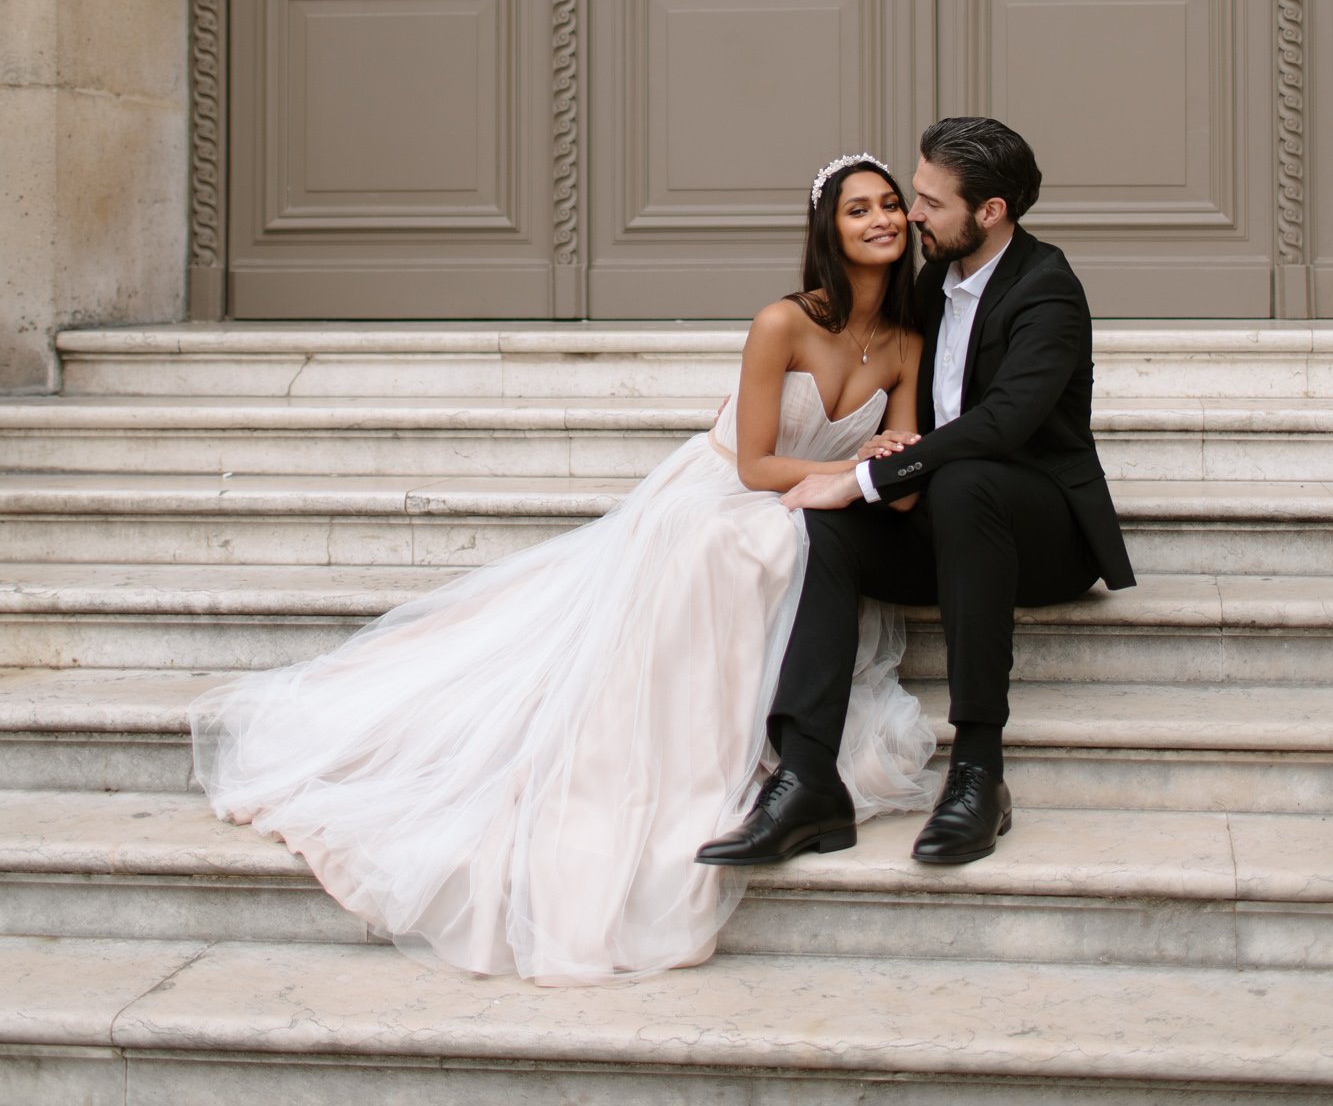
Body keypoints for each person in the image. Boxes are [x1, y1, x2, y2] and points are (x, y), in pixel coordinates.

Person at [189, 154, 936, 984]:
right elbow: (755, 466)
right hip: (724, 490)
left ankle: (778, 751)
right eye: (857, 209)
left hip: (810, 504)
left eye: (891, 205)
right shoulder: (782, 324)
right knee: (746, 543)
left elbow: (895, 478)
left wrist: (874, 466)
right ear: (828, 231)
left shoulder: (905, 342)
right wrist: (840, 479)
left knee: (790, 542)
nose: (880, 219)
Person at [696, 116, 1135, 875]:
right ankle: (806, 779)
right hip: (947, 528)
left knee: (958, 479)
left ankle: (977, 772)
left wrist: (862, 477)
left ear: (987, 211)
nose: (911, 215)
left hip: (1040, 537)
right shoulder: (932, 285)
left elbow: (998, 427)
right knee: (826, 529)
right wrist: (853, 465)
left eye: (927, 201)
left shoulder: (1047, 292)